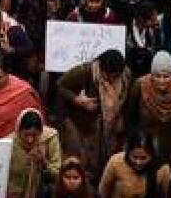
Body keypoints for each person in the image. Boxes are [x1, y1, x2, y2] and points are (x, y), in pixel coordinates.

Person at [56, 49, 132, 181]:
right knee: (84, 160)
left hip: (109, 125)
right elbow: (60, 86)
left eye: (116, 76)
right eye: (109, 76)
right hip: (82, 124)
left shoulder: (126, 76)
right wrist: (77, 100)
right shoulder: (85, 72)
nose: (112, 79)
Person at [124, 51, 171, 166]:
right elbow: (131, 115)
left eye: (166, 76)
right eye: (157, 76)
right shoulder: (141, 86)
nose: (161, 81)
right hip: (145, 147)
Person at [4, 108, 62, 198]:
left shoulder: (49, 139)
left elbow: (57, 173)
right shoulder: (8, 144)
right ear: (19, 131)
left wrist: (43, 162)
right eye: (26, 135)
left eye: (35, 135)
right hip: (13, 197)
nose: (30, 140)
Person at [97, 132, 160, 198]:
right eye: (134, 157)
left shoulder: (160, 170)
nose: (138, 162)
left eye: (143, 158)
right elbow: (102, 194)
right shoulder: (116, 162)